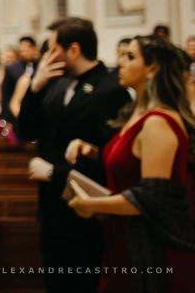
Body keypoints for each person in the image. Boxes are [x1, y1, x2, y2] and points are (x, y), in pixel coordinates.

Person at [66, 35, 195, 293]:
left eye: (130, 57)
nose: (120, 63)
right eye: (122, 55)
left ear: (153, 68)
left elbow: (151, 197)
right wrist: (92, 151)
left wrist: (92, 204)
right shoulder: (137, 112)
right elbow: (132, 163)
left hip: (152, 245)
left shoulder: (158, 121)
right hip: (123, 236)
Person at [16, 18, 131, 293]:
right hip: (52, 209)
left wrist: (57, 172)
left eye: (52, 48)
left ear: (74, 50)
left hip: (87, 213)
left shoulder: (111, 90)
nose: (46, 56)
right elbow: (27, 130)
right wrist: (34, 88)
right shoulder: (55, 84)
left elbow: (111, 159)